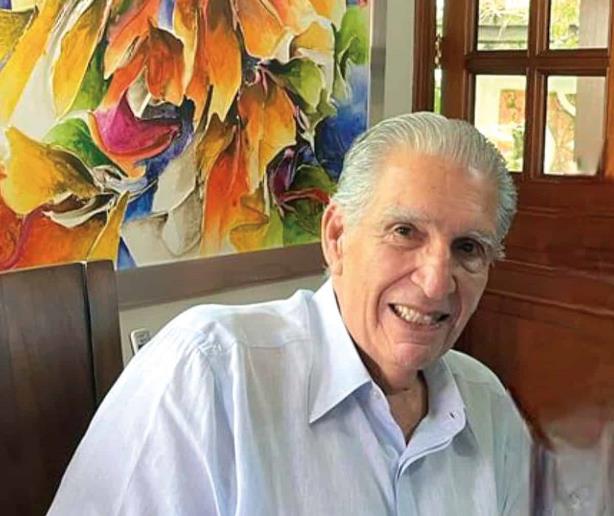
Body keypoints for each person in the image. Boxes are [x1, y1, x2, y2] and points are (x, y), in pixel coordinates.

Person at [48, 112, 531, 515]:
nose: (435, 283)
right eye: (405, 232)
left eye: (468, 248)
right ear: (336, 237)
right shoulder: (209, 374)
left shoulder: (487, 405)